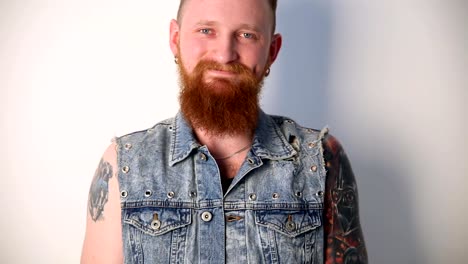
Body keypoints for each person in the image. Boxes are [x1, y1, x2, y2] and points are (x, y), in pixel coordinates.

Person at [81, 0, 368, 263]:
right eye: (206, 30)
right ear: (175, 39)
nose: (224, 54)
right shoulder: (123, 165)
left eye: (247, 35)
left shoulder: (321, 159)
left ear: (272, 50)